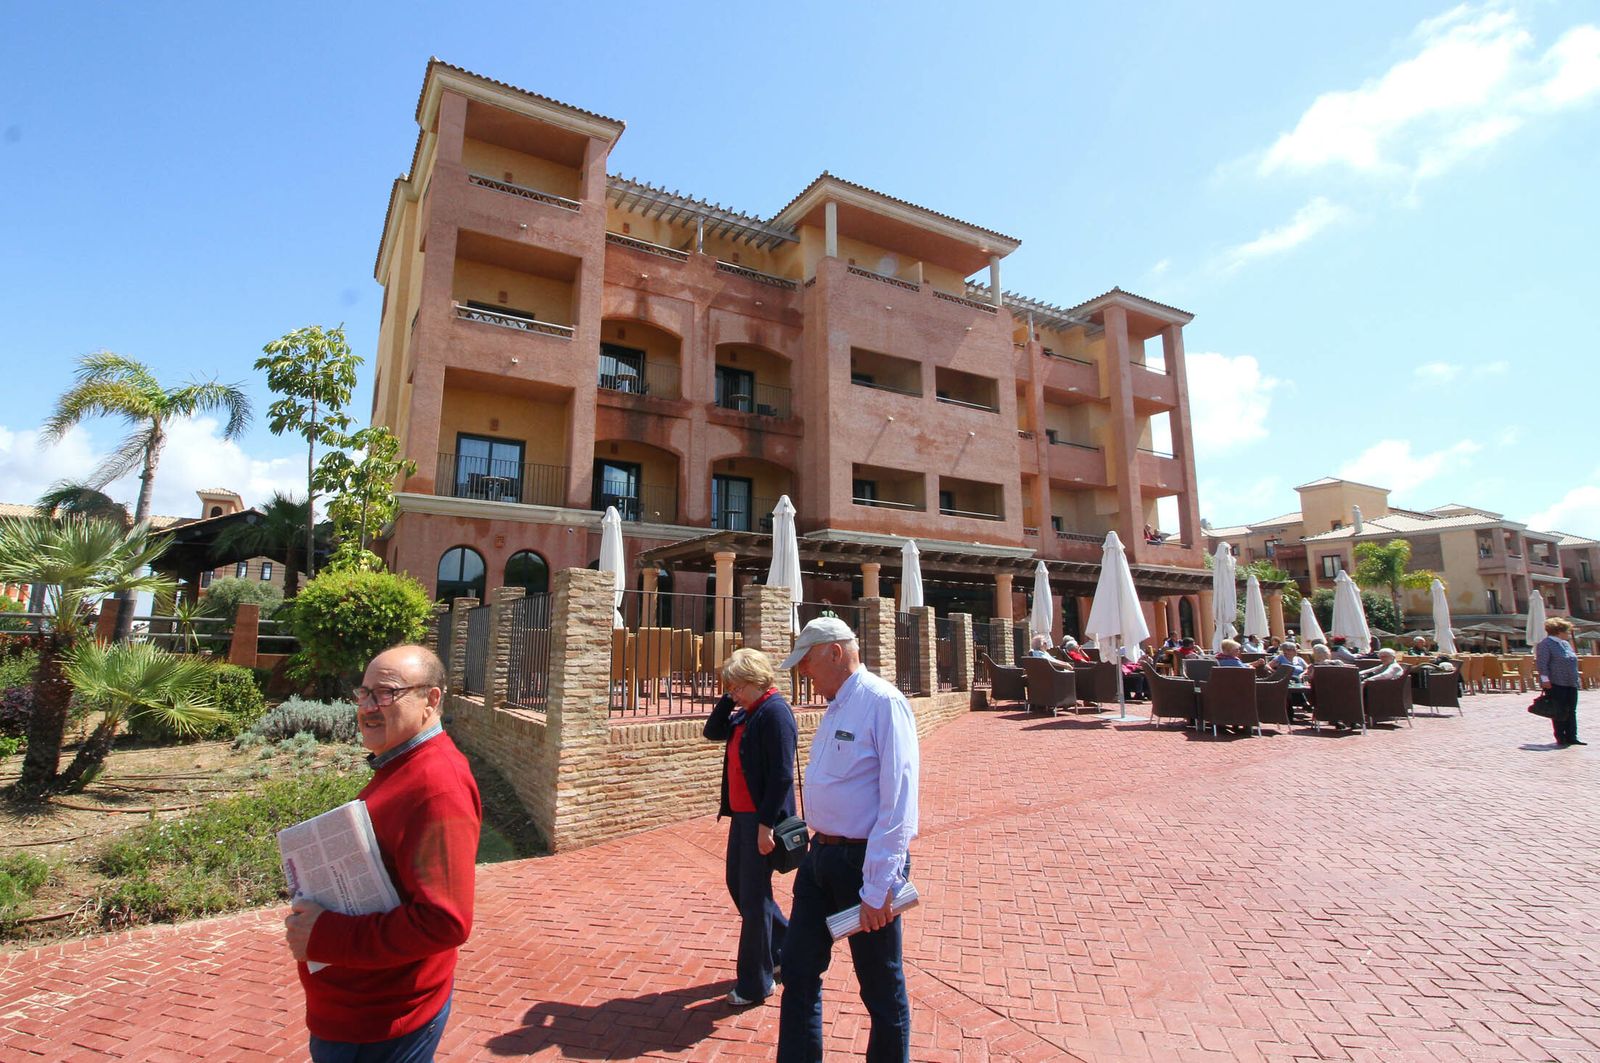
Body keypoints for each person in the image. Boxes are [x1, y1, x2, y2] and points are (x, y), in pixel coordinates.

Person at [284, 644, 483, 1063]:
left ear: (431, 700)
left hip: (383, 1024)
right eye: (364, 693)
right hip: (360, 1010)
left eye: (386, 693)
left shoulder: (437, 784)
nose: (368, 707)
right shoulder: (401, 763)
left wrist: (324, 937)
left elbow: (444, 922)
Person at [777, 617, 919, 1063]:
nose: (804, 673)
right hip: (820, 860)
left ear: (835, 653)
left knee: (880, 987)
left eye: (808, 662)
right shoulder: (837, 704)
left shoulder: (882, 703)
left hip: (864, 867)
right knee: (798, 971)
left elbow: (898, 805)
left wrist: (879, 887)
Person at [704, 648, 798, 1007]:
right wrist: (728, 700)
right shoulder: (747, 712)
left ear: (756, 681)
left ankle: (756, 983)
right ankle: (787, 948)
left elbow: (781, 776)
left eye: (736, 685)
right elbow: (712, 732)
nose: (732, 692)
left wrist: (765, 826)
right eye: (729, 687)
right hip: (741, 817)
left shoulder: (774, 713)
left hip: (761, 820)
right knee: (740, 887)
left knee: (755, 899)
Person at [1536, 617, 1584, 747]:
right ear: (1558, 631)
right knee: (1559, 710)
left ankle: (1572, 736)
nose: (1568, 634)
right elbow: (1542, 663)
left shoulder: (1565, 644)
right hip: (1556, 682)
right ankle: (1561, 736)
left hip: (1570, 681)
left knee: (1571, 710)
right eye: (1566, 631)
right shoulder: (1545, 644)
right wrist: (1545, 679)